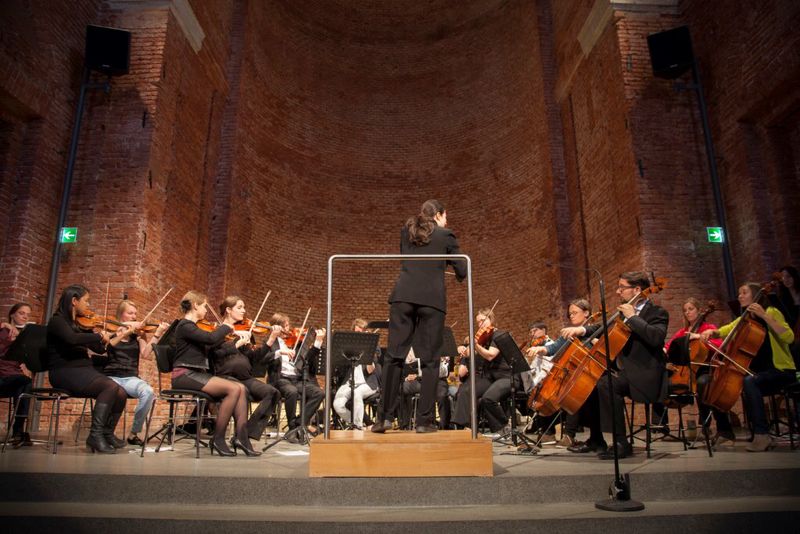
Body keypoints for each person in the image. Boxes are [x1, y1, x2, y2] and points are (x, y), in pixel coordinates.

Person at [373, 199, 467, 434]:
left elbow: (408, 257)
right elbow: (462, 270)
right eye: (446, 216)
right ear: (439, 215)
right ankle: (424, 421)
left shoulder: (407, 231)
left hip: (403, 296)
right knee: (431, 360)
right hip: (431, 300)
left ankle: (383, 418)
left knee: (393, 357)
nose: (447, 221)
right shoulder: (446, 234)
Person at [700, 282, 796, 451]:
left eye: (744, 293)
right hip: (761, 372)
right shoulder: (746, 317)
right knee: (732, 382)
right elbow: (728, 329)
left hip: (781, 370)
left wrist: (765, 316)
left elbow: (789, 337)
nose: (740, 296)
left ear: (756, 295)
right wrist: (713, 332)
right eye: (739, 293)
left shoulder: (772, 311)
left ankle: (762, 434)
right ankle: (728, 430)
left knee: (750, 382)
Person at [172, 290, 259, 456]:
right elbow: (211, 339)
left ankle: (241, 437)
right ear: (195, 305)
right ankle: (218, 439)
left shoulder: (195, 328)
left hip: (196, 374)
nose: (206, 310)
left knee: (240, 388)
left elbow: (213, 349)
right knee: (233, 389)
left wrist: (235, 340)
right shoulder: (184, 326)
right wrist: (228, 327)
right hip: (184, 374)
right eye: (204, 306)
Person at [594, 272, 669, 459]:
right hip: (628, 372)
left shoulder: (657, 312)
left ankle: (617, 442)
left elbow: (656, 338)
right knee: (601, 383)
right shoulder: (622, 313)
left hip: (647, 374)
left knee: (607, 384)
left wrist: (634, 317)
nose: (618, 291)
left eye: (622, 287)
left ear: (637, 290)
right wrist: (582, 329)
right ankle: (614, 440)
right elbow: (603, 326)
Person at [46, 285, 127, 454]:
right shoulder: (57, 321)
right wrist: (97, 335)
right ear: (74, 301)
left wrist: (111, 336)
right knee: (110, 386)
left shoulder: (80, 324)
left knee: (121, 392)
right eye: (86, 301)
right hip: (64, 371)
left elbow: (100, 349)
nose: (88, 306)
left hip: (83, 370)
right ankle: (95, 436)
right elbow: (71, 339)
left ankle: (107, 433)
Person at [529, 299, 606, 453]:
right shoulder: (568, 333)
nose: (571, 316)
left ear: (586, 313)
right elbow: (555, 347)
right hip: (575, 375)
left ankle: (574, 435)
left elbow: (602, 331)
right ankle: (591, 439)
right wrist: (541, 350)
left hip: (592, 374)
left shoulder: (594, 329)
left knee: (575, 393)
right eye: (570, 313)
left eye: (575, 313)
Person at [97, 300, 168, 446]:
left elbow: (146, 354)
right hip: (111, 377)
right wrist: (126, 331)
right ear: (120, 315)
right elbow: (107, 347)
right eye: (130, 313)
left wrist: (157, 334)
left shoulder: (139, 335)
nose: (134, 316)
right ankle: (104, 432)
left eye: (135, 313)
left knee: (148, 392)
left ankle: (133, 433)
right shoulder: (110, 332)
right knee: (113, 392)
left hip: (130, 378)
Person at [663, 298, 732, 446]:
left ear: (699, 310)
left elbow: (719, 346)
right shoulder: (683, 332)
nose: (688, 312)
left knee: (703, 383)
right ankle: (662, 426)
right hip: (689, 371)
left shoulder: (708, 327)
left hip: (708, 369)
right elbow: (671, 345)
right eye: (685, 310)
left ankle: (720, 428)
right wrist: (663, 350)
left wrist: (700, 337)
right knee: (667, 382)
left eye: (691, 309)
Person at [211, 296, 280, 441]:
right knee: (242, 390)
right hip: (225, 377)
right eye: (240, 307)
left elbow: (255, 359)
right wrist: (235, 340)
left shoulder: (245, 331)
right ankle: (239, 437)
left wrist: (271, 339)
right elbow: (215, 355)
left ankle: (245, 433)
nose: (244, 311)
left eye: (244, 307)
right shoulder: (217, 331)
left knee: (272, 393)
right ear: (229, 310)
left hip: (245, 378)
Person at [265, 312, 326, 442]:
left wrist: (317, 342)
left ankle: (298, 424)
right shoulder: (271, 342)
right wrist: (279, 352)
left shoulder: (296, 342)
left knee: (319, 393)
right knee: (291, 392)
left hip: (296, 379)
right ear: (277, 327)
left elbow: (307, 359)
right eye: (285, 326)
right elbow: (263, 359)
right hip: (280, 378)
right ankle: (292, 427)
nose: (289, 329)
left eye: (288, 325)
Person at [450, 309, 508, 431]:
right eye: (478, 322)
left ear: (491, 319)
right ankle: (465, 426)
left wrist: (475, 345)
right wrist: (463, 349)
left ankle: (502, 426)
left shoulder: (499, 335)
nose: (480, 324)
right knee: (466, 389)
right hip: (488, 376)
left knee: (487, 398)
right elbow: (473, 352)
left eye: (483, 320)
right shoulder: (484, 337)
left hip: (502, 375)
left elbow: (490, 355)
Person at [333, 319, 381, 430]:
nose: (359, 335)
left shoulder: (374, 347)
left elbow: (370, 370)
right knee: (337, 404)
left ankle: (358, 426)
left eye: (362, 332)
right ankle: (354, 422)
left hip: (367, 383)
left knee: (357, 393)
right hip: (350, 382)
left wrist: (369, 348)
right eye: (357, 333)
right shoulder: (349, 347)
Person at [0, 303, 34, 446]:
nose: (25, 316)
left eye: (27, 314)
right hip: (2, 376)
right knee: (24, 382)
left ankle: (18, 432)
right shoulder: (3, 330)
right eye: (21, 313)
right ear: (12, 314)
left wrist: (25, 364)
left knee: (24, 382)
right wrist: (5, 324)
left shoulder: (24, 336)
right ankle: (18, 430)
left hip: (14, 378)